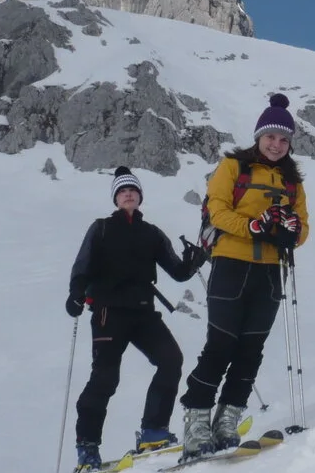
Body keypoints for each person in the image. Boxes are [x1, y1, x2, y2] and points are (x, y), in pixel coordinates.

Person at [179, 94, 310, 459]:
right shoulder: (233, 167)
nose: (276, 144)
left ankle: (227, 419)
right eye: (271, 137)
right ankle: (196, 420)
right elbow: (217, 210)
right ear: (259, 136)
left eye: (284, 139)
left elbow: (303, 228)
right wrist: (253, 226)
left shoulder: (292, 182)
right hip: (230, 265)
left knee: (251, 350)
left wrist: (292, 232)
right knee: (220, 345)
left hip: (269, 272)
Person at [66, 166, 208, 471]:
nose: (128, 194)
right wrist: (76, 293)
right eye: (122, 191)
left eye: (132, 190)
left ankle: (153, 432)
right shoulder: (101, 228)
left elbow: (178, 271)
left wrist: (194, 261)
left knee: (171, 359)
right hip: (108, 312)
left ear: (140, 196)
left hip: (143, 312)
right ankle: (87, 447)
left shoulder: (152, 233)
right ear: (116, 199)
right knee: (105, 378)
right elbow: (83, 264)